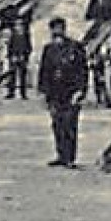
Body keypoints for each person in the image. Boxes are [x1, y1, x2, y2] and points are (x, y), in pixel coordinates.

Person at [38, 16, 89, 167]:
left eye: (60, 28)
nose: (57, 31)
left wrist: (80, 90)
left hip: (71, 92)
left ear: (64, 29)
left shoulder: (75, 47)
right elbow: (44, 72)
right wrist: (43, 92)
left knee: (70, 125)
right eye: (54, 29)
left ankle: (70, 158)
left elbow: (83, 71)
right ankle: (61, 155)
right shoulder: (48, 49)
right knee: (57, 125)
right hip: (55, 94)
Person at [6, 16, 32, 100]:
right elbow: (10, 46)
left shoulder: (26, 35)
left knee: (22, 76)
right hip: (14, 57)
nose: (18, 26)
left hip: (22, 57)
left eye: (20, 25)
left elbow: (29, 47)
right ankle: (11, 93)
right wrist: (11, 55)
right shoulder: (13, 35)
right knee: (12, 75)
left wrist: (25, 55)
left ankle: (23, 93)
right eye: (16, 24)